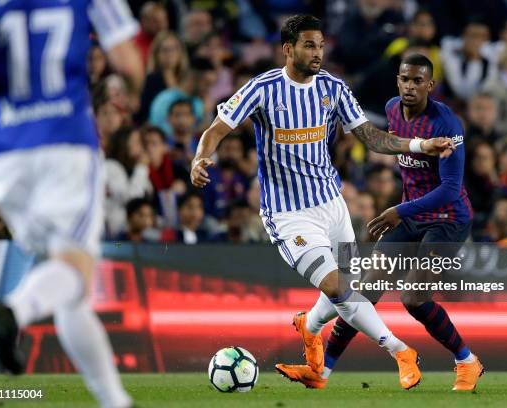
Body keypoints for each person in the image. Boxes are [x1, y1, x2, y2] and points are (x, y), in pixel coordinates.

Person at [191, 15, 455, 391]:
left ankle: (309, 325)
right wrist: (200, 158)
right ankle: (400, 350)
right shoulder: (262, 88)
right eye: (309, 45)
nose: (318, 53)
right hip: (288, 215)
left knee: (351, 287)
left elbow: (371, 137)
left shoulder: (332, 87)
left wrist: (419, 145)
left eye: (320, 45)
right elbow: (216, 129)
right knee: (337, 286)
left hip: (332, 206)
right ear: (288, 48)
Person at [0, 1, 143, 407]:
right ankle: (14, 310)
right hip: (66, 141)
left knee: (73, 289)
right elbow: (129, 62)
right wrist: (133, 94)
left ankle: (115, 401)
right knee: (74, 267)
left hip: (4, 151)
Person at [284, 54, 484, 391]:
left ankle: (467, 362)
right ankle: (322, 373)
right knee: (362, 293)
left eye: (418, 81)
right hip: (409, 214)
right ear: (397, 81)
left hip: (447, 220)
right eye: (405, 79)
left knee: (414, 299)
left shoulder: (446, 124)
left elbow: (450, 189)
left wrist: (398, 212)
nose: (410, 86)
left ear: (430, 86)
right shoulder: (392, 109)